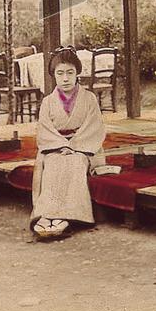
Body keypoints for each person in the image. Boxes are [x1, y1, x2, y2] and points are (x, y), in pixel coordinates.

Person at [29, 47, 106, 240]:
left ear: (77, 73)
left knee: (75, 163)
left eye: (70, 73)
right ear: (54, 75)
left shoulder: (89, 98)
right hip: (54, 147)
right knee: (53, 164)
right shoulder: (48, 101)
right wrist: (60, 145)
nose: (65, 78)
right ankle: (47, 215)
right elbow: (44, 130)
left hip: (84, 147)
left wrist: (73, 146)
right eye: (60, 73)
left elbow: (94, 128)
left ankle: (68, 216)